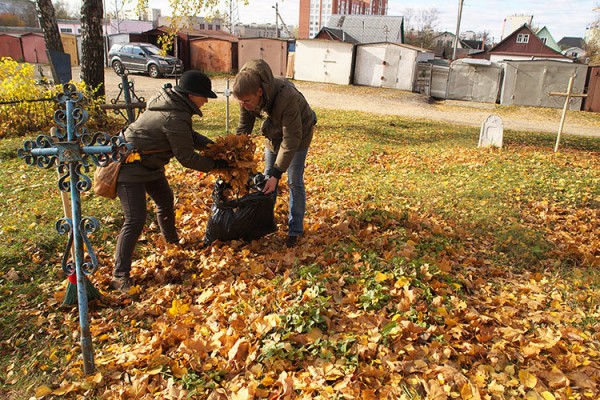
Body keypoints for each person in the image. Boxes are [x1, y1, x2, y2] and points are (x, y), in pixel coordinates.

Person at [111, 70, 227, 294]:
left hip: (150, 164)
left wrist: (214, 147)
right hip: (130, 166)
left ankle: (172, 244)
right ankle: (119, 275)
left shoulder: (175, 107)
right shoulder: (174, 115)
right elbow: (186, 157)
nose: (206, 101)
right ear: (192, 95)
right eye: (204, 96)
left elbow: (189, 137)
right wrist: (217, 166)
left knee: (165, 200)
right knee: (135, 219)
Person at [233, 59, 317, 248]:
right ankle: (264, 223)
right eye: (241, 102)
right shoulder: (246, 95)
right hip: (273, 134)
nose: (244, 105)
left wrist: (277, 174)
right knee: (266, 180)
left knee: (294, 181)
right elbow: (244, 127)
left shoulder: (286, 97)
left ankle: (295, 230)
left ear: (259, 92)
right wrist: (237, 151)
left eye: (247, 101)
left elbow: (291, 139)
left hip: (299, 134)